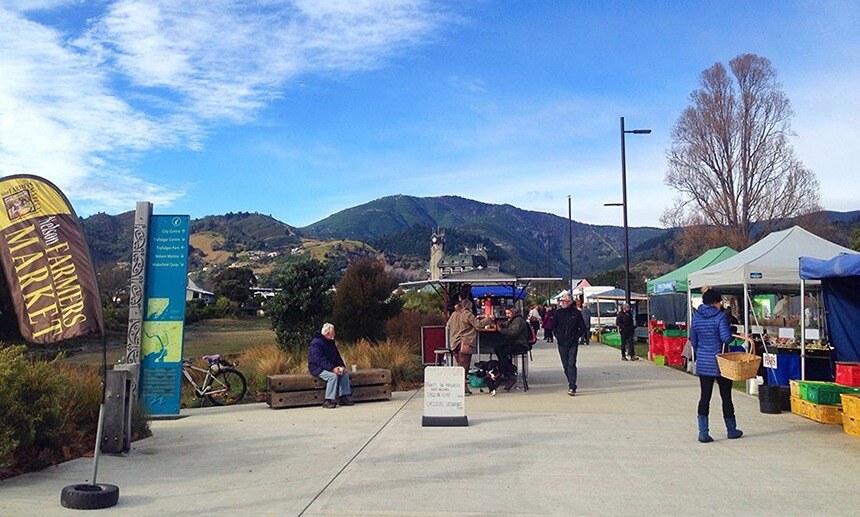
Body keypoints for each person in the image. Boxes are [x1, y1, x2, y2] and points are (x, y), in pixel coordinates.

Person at [690, 288, 743, 443]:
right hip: (721, 363)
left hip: (704, 363)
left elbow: (693, 340)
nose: (721, 304)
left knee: (704, 397)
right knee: (726, 396)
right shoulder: (720, 317)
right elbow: (726, 338)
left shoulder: (696, 317)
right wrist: (731, 331)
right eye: (720, 302)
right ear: (715, 303)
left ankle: (703, 432)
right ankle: (731, 429)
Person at [448, 299, 493, 395]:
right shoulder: (467, 314)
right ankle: (463, 389)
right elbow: (478, 324)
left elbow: (448, 326)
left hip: (454, 343)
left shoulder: (454, 314)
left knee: (459, 367)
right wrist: (489, 319)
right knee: (464, 367)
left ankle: (461, 388)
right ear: (469, 306)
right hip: (464, 342)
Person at [308, 323, 353, 409]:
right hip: (317, 367)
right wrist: (332, 369)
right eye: (333, 332)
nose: (334, 334)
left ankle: (343, 397)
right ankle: (328, 400)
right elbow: (319, 360)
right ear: (328, 333)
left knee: (344, 374)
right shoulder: (316, 343)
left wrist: (342, 366)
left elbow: (337, 356)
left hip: (330, 366)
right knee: (333, 377)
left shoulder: (331, 342)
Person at [552, 293, 586, 395]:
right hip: (562, 343)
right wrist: (558, 336)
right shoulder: (558, 313)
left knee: (571, 364)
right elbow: (554, 326)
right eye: (561, 301)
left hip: (572, 343)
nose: (562, 303)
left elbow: (583, 328)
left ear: (570, 302)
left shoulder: (576, 313)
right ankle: (570, 380)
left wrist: (576, 337)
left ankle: (572, 385)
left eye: (565, 301)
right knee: (565, 365)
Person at [494, 306, 531, 391]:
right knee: (498, 349)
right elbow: (507, 324)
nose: (507, 315)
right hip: (515, 343)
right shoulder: (513, 320)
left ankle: (510, 372)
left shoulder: (519, 320)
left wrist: (501, 330)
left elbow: (513, 333)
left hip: (521, 344)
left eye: (509, 313)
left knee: (501, 351)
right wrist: (501, 325)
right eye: (506, 313)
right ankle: (510, 370)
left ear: (514, 312)